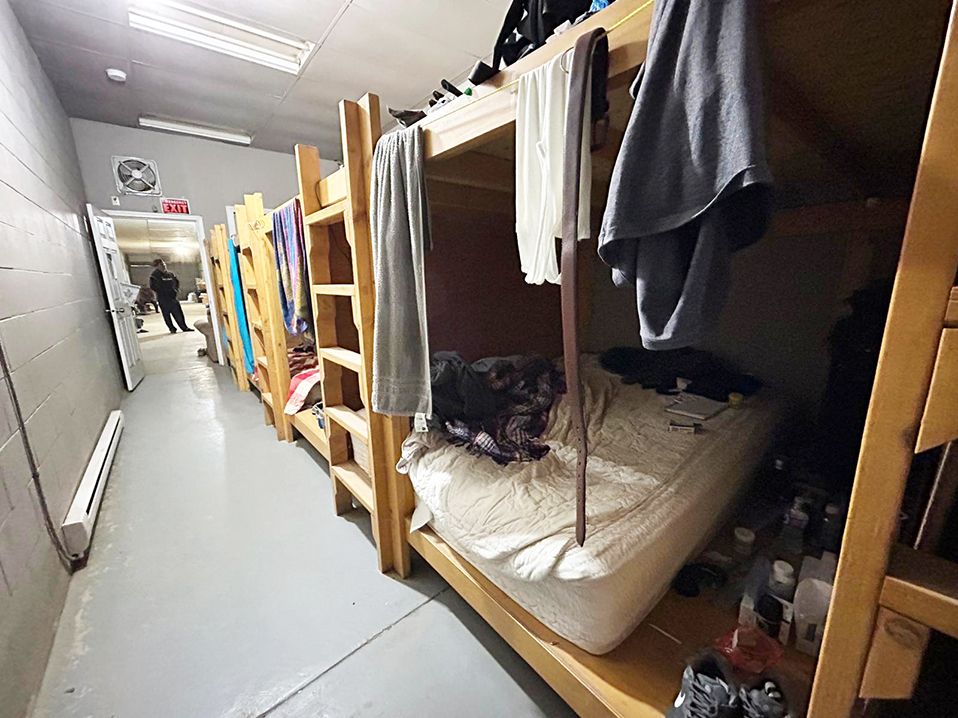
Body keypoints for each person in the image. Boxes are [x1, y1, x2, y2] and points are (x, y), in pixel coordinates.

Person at [149, 258, 194, 334]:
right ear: (157, 266)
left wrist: (175, 290)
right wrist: (164, 292)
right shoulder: (154, 276)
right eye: (161, 265)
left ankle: (184, 327)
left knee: (178, 313)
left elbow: (176, 282)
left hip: (173, 298)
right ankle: (172, 329)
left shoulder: (170, 274)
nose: (164, 266)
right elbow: (153, 287)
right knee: (167, 315)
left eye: (164, 264)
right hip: (163, 299)